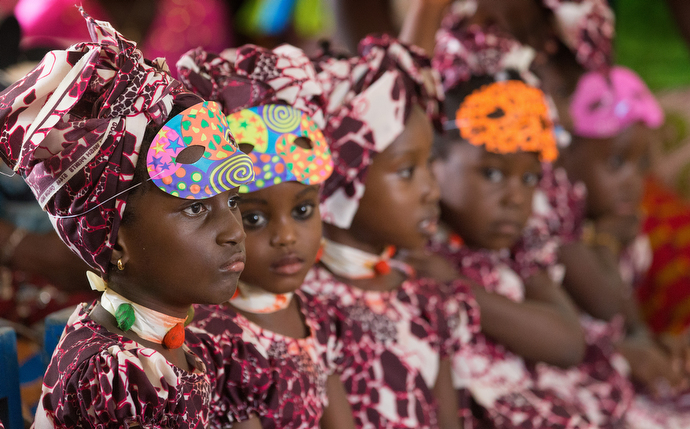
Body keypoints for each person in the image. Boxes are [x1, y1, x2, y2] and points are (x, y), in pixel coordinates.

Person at [0, 10, 266, 427]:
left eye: (232, 202)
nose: (234, 231)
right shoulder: (116, 375)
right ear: (115, 235)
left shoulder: (168, 340)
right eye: (195, 207)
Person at [428, 75, 640, 428]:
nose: (515, 198)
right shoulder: (422, 252)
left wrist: (461, 291)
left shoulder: (520, 249)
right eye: (492, 173)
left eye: (529, 179)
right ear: (433, 163)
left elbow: (568, 343)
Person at [302, 35, 479, 429]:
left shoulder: (427, 299)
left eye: (428, 164)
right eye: (406, 171)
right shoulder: (308, 310)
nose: (431, 189)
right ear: (342, 180)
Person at [177, 45, 356, 429]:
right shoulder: (217, 339)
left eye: (304, 210)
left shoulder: (320, 318)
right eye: (255, 218)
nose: (287, 236)